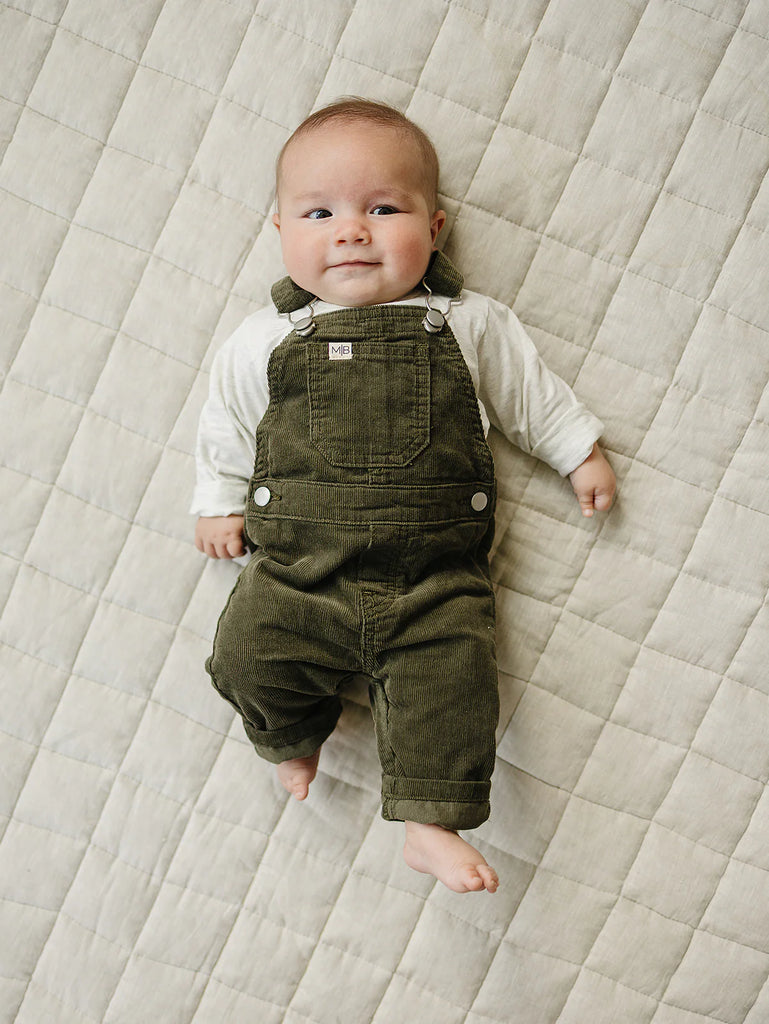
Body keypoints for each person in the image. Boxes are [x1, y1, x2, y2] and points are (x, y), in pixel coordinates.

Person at [192, 98, 616, 894]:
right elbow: (228, 423)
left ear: (435, 227)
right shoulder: (264, 338)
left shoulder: (467, 322)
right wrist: (217, 500)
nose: (352, 231)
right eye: (319, 213)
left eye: (383, 210)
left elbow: (528, 396)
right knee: (246, 657)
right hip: (298, 576)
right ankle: (292, 734)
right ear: (280, 229)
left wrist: (576, 452)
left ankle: (429, 823)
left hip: (434, 584)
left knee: (454, 692)